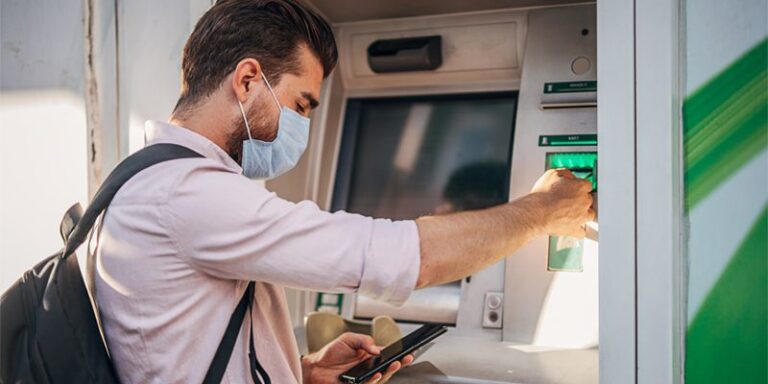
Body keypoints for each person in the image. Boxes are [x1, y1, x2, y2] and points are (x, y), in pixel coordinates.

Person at [93, 0, 595, 383]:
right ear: (247, 80)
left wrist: (300, 372)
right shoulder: (188, 194)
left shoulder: (150, 176)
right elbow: (397, 256)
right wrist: (542, 212)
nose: (304, 123)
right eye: (302, 104)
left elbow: (187, 349)